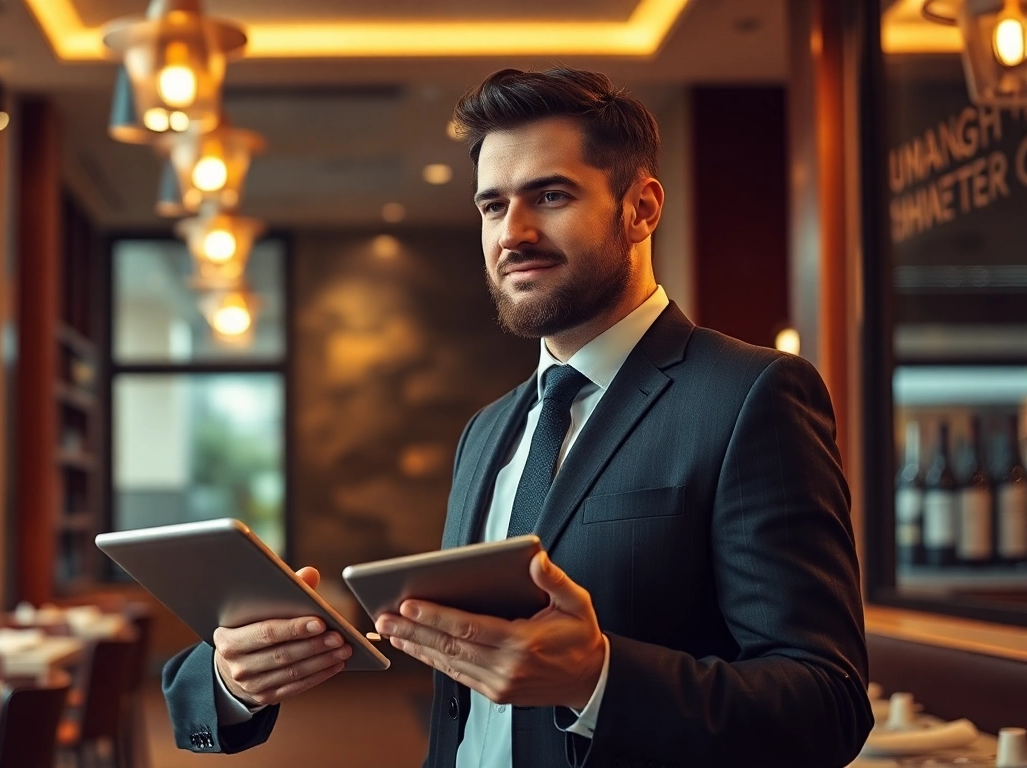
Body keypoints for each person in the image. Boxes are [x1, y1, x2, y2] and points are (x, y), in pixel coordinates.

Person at [161, 67, 873, 767]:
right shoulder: (489, 431)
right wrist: (236, 679)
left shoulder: (752, 395)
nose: (514, 233)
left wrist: (598, 678)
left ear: (642, 208)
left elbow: (827, 705)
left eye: (551, 195)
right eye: (492, 206)